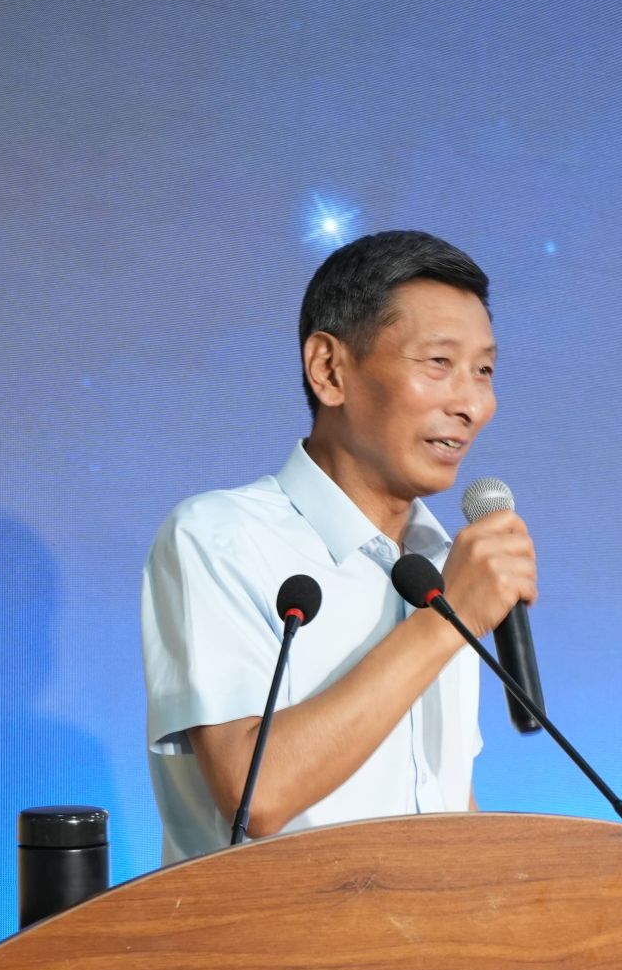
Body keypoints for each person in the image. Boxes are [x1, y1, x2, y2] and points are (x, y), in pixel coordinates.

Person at [141, 230, 537, 862]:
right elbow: (255, 793)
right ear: (329, 370)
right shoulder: (220, 537)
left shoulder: (443, 566)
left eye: (484, 371)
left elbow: (442, 794)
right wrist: (449, 619)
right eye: (439, 363)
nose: (471, 404)